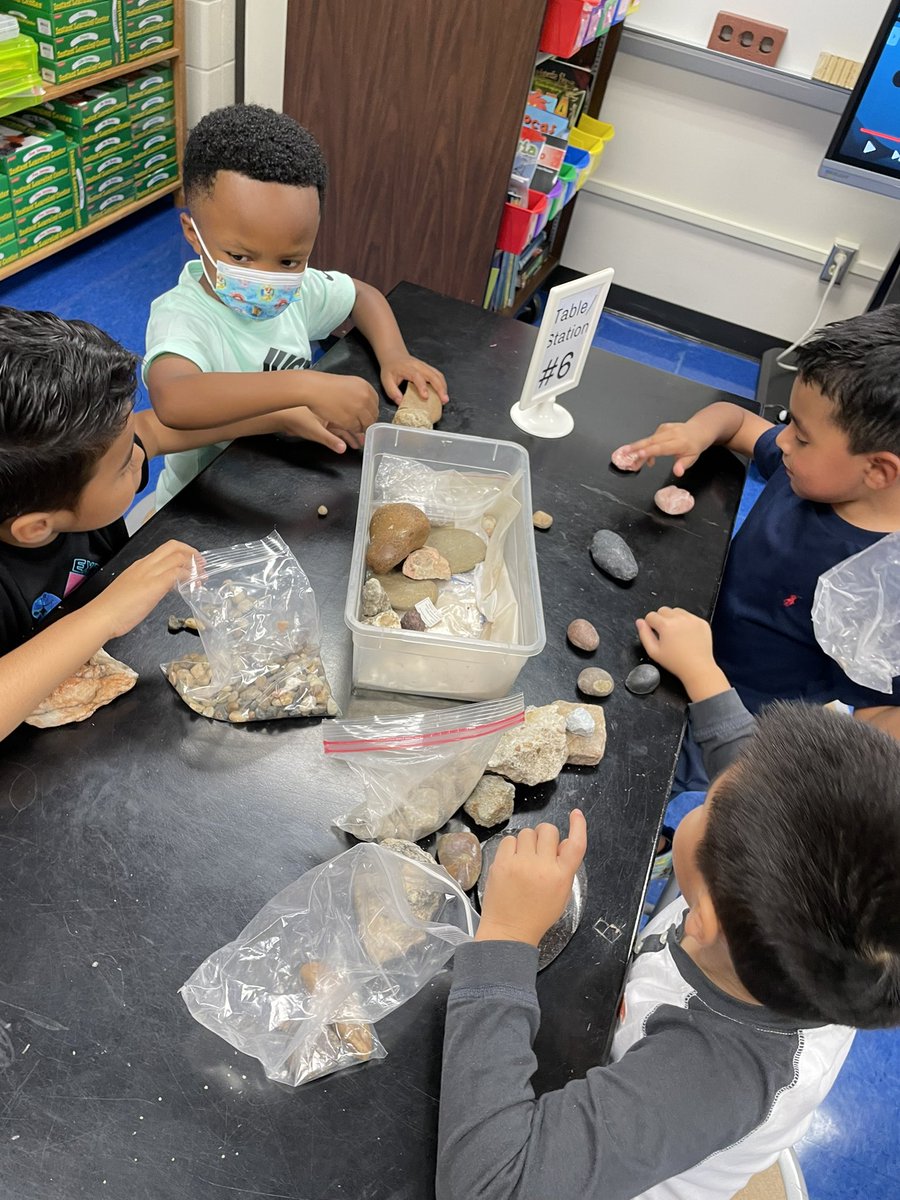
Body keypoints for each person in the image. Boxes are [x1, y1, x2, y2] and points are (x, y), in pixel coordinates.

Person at [437, 607, 900, 1200]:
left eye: (708, 806)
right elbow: (759, 789)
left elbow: (488, 1185)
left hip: (642, 1167)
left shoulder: (712, 1077)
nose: (724, 783)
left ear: (703, 918)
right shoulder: (817, 938)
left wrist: (507, 933)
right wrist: (705, 674)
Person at [0, 306, 341, 741]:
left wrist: (278, 417)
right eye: (124, 466)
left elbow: (154, 431)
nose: (139, 454)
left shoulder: (53, 478)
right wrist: (104, 615)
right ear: (35, 528)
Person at [614, 306, 900, 788]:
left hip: (728, 717)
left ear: (878, 470)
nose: (782, 441)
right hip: (686, 634)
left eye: (801, 437)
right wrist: (697, 431)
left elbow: (880, 718)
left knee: (643, 778)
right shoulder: (809, 473)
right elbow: (735, 421)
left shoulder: (880, 589)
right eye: (788, 423)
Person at [145, 103, 448, 507]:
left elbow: (361, 296)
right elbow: (175, 399)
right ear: (192, 233)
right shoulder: (182, 317)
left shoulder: (299, 291)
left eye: (289, 261)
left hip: (279, 484)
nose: (267, 279)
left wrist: (394, 355)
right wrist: (305, 386)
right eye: (240, 256)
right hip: (202, 503)